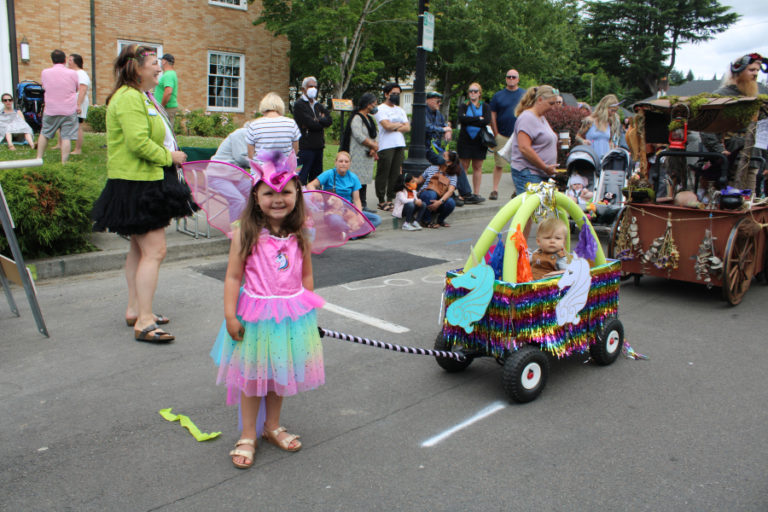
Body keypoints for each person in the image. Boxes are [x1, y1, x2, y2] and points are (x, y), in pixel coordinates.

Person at [211, 159, 325, 469]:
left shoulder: (303, 232)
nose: (278, 199)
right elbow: (233, 277)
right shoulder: (244, 232)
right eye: (269, 193)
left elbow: (307, 277)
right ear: (255, 198)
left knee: (278, 374)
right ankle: (248, 434)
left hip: (291, 316)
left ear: (297, 195)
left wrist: (309, 313)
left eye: (286, 192)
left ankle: (271, 425)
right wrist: (230, 316)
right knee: (251, 378)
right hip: (255, 316)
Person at [91, 44, 192, 343]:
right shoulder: (130, 99)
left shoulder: (135, 97)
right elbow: (138, 143)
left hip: (136, 181)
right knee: (155, 251)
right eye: (154, 68)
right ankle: (145, 321)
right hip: (139, 184)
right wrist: (169, 157)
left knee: (138, 249)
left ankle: (136, 309)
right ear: (136, 68)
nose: (159, 73)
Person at [700, 53, 768, 192]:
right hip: (729, 156)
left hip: (753, 157)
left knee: (749, 197)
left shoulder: (756, 99)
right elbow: (705, 126)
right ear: (739, 71)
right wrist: (719, 150)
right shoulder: (722, 95)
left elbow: (763, 131)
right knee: (728, 197)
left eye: (757, 70)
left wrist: (766, 161)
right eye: (751, 70)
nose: (755, 74)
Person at [307, 151, 381, 229]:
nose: (343, 164)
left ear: (349, 164)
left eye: (346, 162)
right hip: (333, 212)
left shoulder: (353, 178)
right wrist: (316, 193)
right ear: (335, 163)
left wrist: (359, 215)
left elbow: (357, 200)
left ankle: (346, 232)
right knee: (336, 221)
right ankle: (355, 231)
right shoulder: (329, 174)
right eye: (341, 161)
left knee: (376, 219)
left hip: (349, 210)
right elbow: (310, 185)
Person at [508, 85, 560, 194]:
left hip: (540, 173)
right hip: (529, 173)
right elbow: (524, 148)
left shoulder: (541, 117)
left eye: (555, 104)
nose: (553, 107)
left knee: (539, 210)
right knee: (531, 208)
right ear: (540, 100)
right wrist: (545, 167)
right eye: (551, 103)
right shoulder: (527, 118)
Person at [36, 49, 79, 163]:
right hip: (68, 109)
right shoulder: (72, 73)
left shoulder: (45, 72)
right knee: (66, 137)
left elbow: (45, 86)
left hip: (51, 109)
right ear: (65, 60)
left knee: (44, 133)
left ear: (52, 60)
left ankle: (38, 158)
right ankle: (64, 162)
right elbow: (76, 88)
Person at [374, 82, 410, 212]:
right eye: (393, 94)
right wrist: (398, 125)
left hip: (399, 144)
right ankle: (381, 199)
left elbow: (408, 127)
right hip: (385, 145)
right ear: (386, 94)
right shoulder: (380, 109)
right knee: (384, 172)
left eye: (398, 94)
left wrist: (394, 125)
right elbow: (386, 126)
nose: (396, 96)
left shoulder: (400, 110)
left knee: (396, 173)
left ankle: (390, 198)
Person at [490, 69, 526, 198]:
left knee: (519, 164)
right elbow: (492, 114)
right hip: (502, 135)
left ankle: (518, 190)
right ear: (506, 79)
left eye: (514, 77)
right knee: (499, 163)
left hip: (519, 135)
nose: (511, 79)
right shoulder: (498, 96)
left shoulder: (524, 94)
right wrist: (496, 133)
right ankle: (494, 190)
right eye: (509, 77)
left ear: (518, 79)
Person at [294, 76, 333, 184]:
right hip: (305, 147)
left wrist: (318, 120)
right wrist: (320, 121)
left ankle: (314, 200)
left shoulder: (318, 105)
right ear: (303, 89)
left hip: (318, 147)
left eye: (315, 87)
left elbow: (329, 120)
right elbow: (309, 123)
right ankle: (300, 199)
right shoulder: (299, 105)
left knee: (316, 179)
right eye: (310, 86)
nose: (313, 89)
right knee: (301, 177)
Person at [343, 93, 379, 210]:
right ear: (368, 104)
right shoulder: (357, 118)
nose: (375, 106)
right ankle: (355, 203)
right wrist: (372, 144)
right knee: (357, 179)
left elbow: (375, 134)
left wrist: (374, 148)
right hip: (358, 153)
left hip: (368, 154)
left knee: (365, 179)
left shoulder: (370, 118)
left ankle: (363, 203)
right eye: (374, 103)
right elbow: (358, 135)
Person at [457, 82, 492, 198]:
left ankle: (476, 193)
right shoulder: (464, 105)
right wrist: (478, 119)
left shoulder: (485, 106)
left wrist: (470, 120)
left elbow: (486, 120)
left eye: (475, 91)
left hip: (479, 140)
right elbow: (461, 119)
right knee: (464, 166)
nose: (473, 93)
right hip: (465, 139)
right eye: (471, 91)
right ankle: (464, 193)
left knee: (477, 166)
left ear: (479, 93)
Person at [246, 92, 301, 160]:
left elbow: (250, 155)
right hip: (284, 168)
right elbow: (295, 151)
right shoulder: (291, 124)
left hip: (262, 169)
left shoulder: (254, 125)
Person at [414, 150, 461, 228]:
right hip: (426, 196)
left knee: (451, 202)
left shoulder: (452, 175)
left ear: (449, 162)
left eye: (443, 156)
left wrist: (439, 202)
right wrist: (408, 178)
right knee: (431, 194)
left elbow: (450, 191)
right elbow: (419, 180)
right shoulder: (432, 168)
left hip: (440, 199)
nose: (440, 157)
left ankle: (440, 220)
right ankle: (426, 221)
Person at [575, 94, 621, 160]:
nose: (613, 113)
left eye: (615, 111)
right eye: (612, 110)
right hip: (591, 158)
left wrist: (612, 149)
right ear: (605, 108)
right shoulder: (590, 121)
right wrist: (583, 141)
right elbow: (577, 136)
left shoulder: (610, 123)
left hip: (605, 159)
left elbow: (610, 141)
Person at [68, 53, 91, 155]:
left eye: (70, 60)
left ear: (76, 62)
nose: (68, 62)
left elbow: (83, 89)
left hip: (79, 101)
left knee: (77, 125)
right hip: (73, 101)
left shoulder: (81, 74)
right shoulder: (74, 73)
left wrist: (78, 104)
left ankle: (78, 149)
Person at [425, 91, 452, 165]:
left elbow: (444, 125)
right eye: (438, 101)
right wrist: (443, 130)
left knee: (454, 160)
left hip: (437, 147)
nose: (440, 103)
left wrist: (448, 131)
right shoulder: (423, 112)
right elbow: (427, 128)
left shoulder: (438, 114)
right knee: (444, 161)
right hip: (427, 148)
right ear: (428, 100)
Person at [154, 54, 178, 131]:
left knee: (165, 132)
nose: (160, 63)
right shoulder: (170, 74)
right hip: (167, 108)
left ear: (164, 61)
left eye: (161, 61)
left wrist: (161, 106)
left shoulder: (168, 75)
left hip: (167, 108)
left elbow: (168, 92)